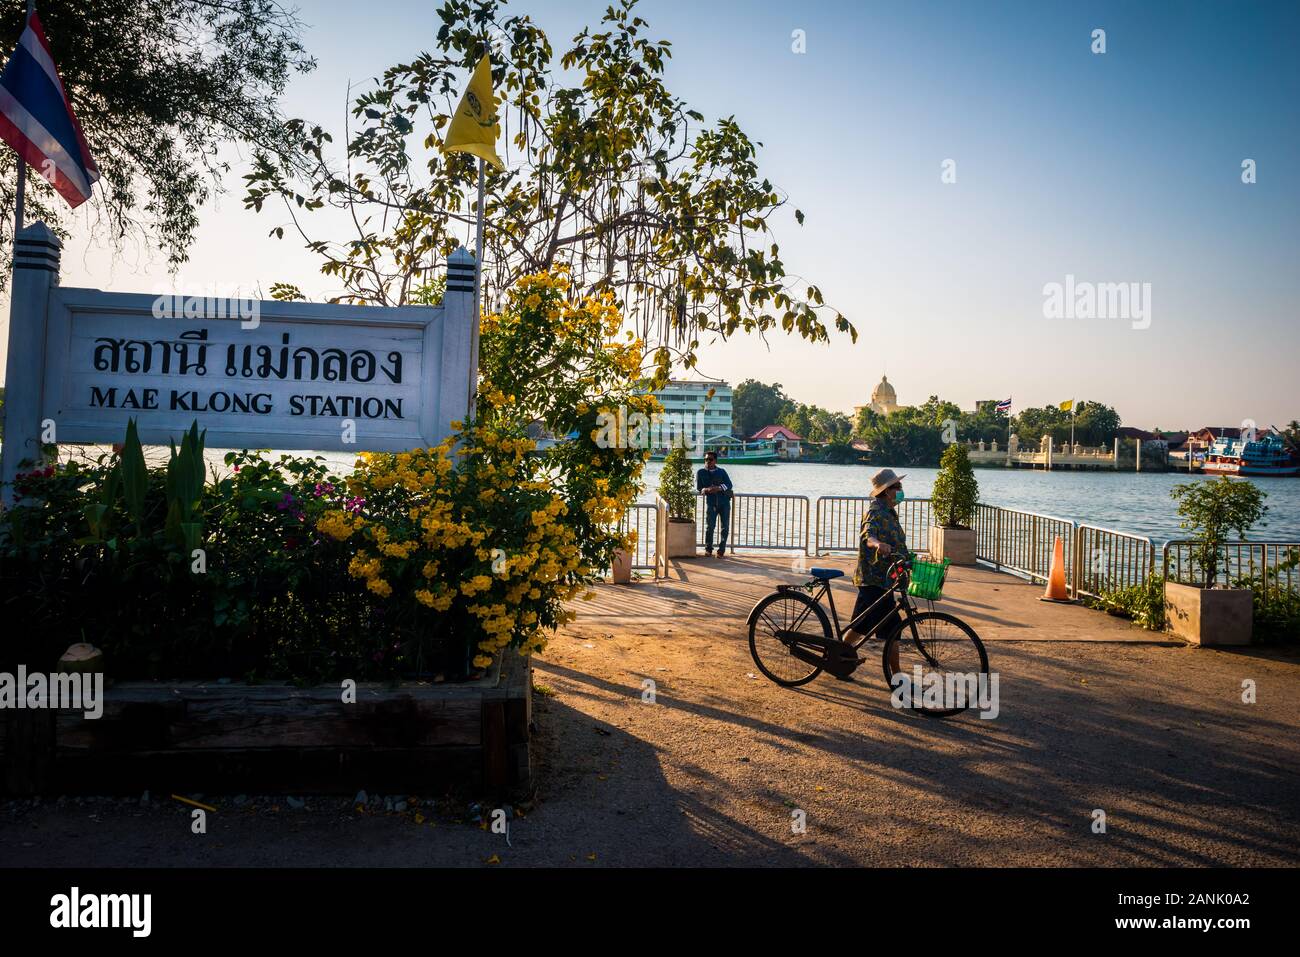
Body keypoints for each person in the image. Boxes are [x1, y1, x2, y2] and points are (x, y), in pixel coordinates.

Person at [848, 468, 908, 672]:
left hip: (885, 578)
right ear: (886, 491)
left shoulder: (890, 512)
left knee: (861, 625)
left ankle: (836, 656)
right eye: (897, 487)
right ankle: (898, 676)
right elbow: (868, 534)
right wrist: (877, 544)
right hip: (873, 579)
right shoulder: (875, 511)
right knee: (893, 627)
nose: (901, 490)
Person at [696, 451, 733, 557]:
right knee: (710, 527)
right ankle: (708, 549)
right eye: (706, 459)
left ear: (715, 461)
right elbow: (699, 488)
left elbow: (729, 485)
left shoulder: (722, 472)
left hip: (724, 502)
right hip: (711, 503)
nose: (708, 461)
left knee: (725, 527)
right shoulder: (700, 472)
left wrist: (718, 488)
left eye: (710, 459)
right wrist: (706, 489)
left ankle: (721, 551)